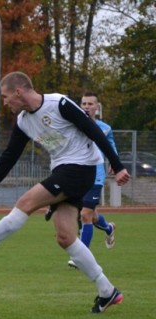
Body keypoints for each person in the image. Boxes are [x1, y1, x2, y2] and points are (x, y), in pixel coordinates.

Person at [0, 71, 130, 314]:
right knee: (66, 238)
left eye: (6, 96)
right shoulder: (22, 121)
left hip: (81, 167)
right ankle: (107, 291)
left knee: (26, 202)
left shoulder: (59, 104)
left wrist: (118, 164)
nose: (5, 102)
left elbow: (93, 130)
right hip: (64, 170)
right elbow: (10, 156)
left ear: (19, 92)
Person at [64, 92, 118, 268]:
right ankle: (109, 228)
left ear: (97, 107)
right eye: (84, 103)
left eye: (90, 104)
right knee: (92, 217)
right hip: (77, 177)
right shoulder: (73, 126)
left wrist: (115, 163)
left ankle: (81, 258)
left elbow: (111, 147)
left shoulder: (105, 128)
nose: (86, 106)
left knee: (85, 215)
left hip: (96, 177)